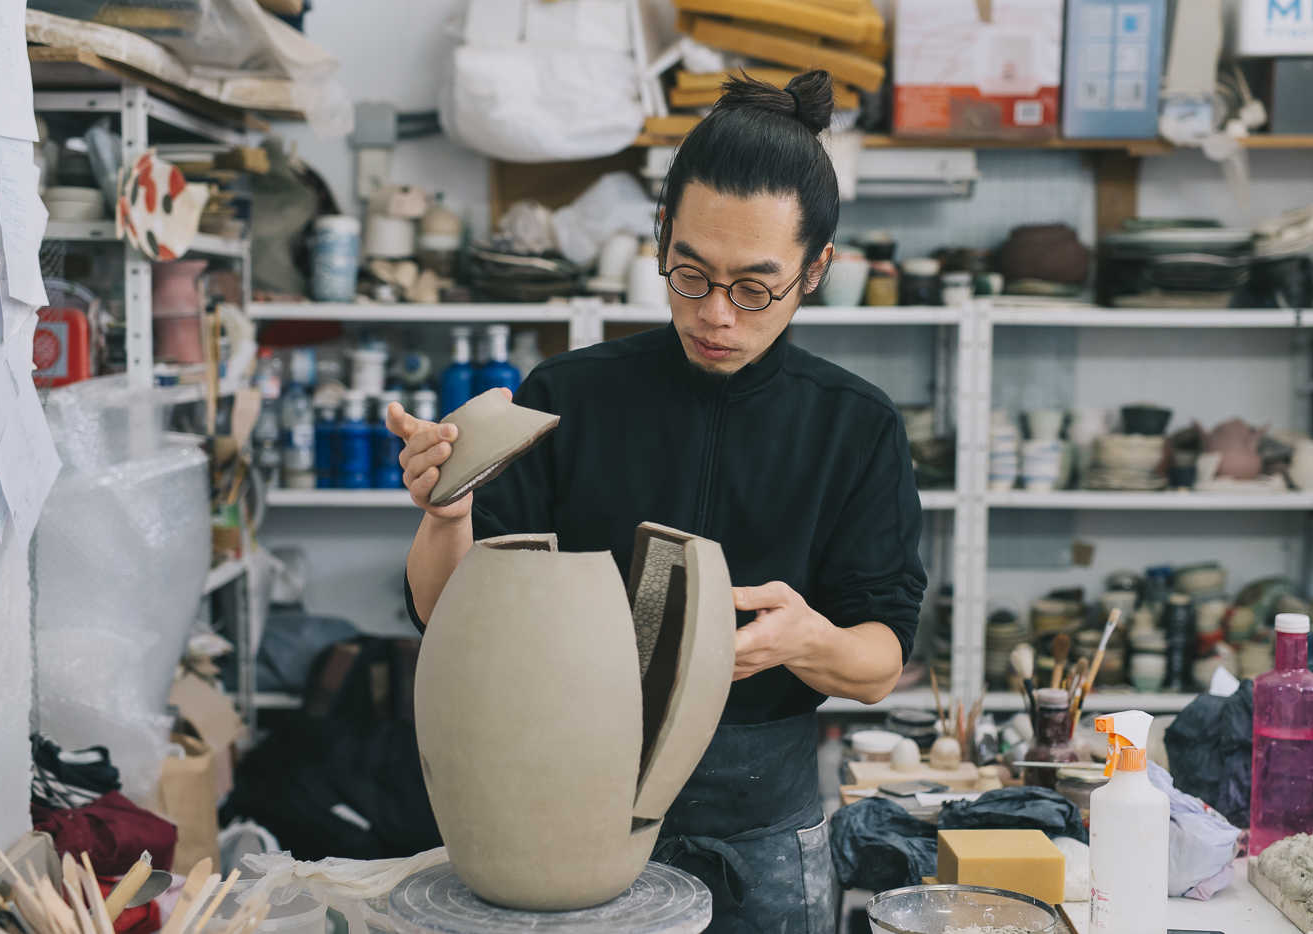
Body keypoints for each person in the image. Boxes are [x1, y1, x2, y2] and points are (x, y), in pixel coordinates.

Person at [388, 70, 926, 933]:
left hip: (763, 827)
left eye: (755, 287)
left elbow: (880, 660)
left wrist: (811, 639)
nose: (715, 314)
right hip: (562, 805)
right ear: (660, 236)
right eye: (689, 274)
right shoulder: (569, 395)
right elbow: (448, 612)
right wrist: (445, 510)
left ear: (816, 269)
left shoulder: (854, 427)